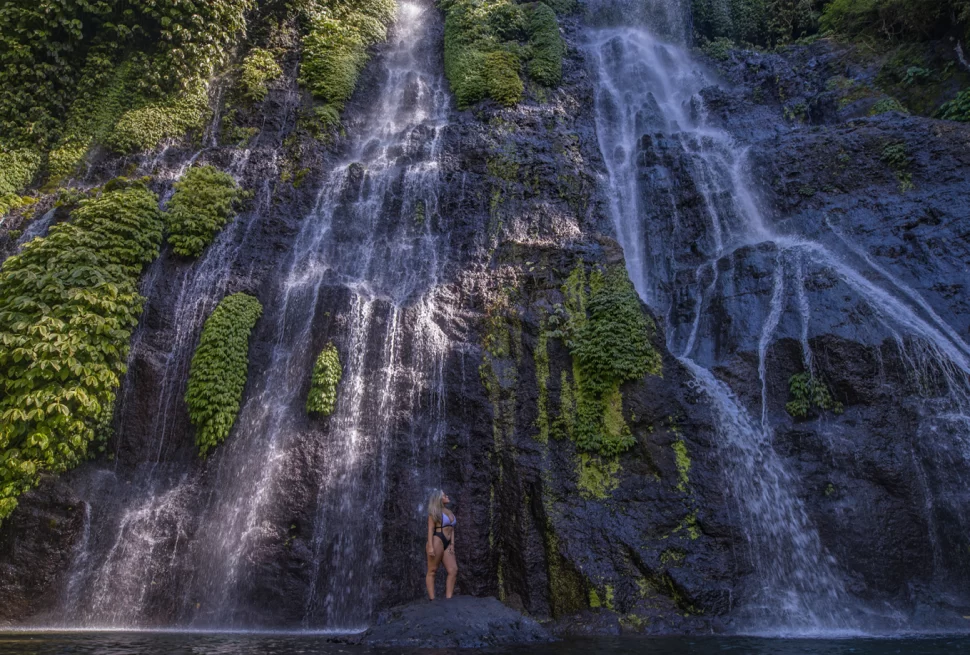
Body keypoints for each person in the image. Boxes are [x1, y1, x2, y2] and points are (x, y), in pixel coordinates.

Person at [425, 489, 458, 600]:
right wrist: (430, 546)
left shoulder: (449, 511)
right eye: (444, 495)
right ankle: (432, 599)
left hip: (448, 543)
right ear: (439, 498)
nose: (447, 496)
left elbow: (452, 529)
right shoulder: (434, 511)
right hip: (437, 540)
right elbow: (430, 529)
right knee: (432, 570)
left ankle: (449, 598)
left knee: (453, 570)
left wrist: (452, 544)